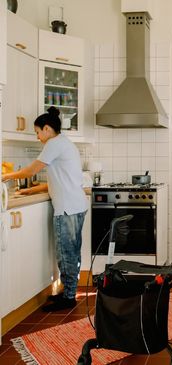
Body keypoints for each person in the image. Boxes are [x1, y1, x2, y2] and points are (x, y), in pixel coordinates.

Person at [2, 106, 88, 312]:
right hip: (76, 205)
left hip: (67, 208)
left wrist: (5, 176)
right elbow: (59, 180)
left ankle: (68, 297)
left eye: (38, 132)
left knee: (66, 253)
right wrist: (32, 191)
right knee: (72, 252)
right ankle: (68, 292)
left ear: (47, 129)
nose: (38, 137)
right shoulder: (64, 143)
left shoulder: (54, 144)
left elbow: (32, 170)